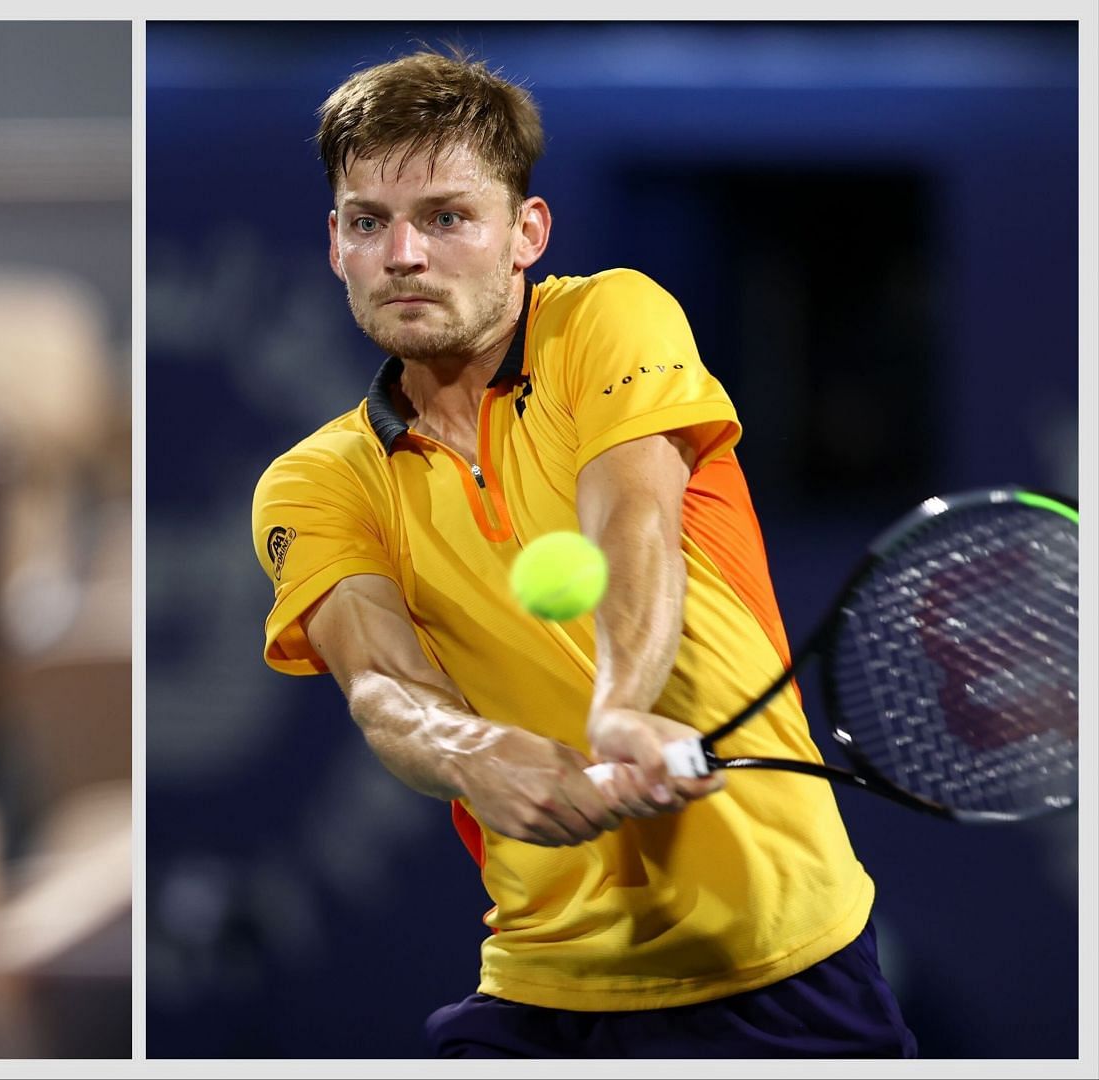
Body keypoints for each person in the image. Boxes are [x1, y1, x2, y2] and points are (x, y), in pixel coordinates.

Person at [250, 49, 916, 1058]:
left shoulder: (609, 318)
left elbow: (633, 523)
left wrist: (618, 708)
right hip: (537, 982)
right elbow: (383, 688)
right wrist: (475, 754)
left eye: (446, 216)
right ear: (334, 245)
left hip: (783, 970)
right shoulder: (313, 480)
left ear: (527, 233)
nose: (404, 255)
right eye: (367, 222)